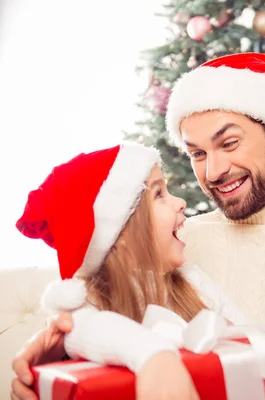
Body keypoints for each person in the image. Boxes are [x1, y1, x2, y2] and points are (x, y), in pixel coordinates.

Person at [12, 53, 265, 400]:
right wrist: (48, 364)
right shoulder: (171, 246)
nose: (214, 171)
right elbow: (104, 339)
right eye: (196, 153)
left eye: (228, 143)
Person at [12, 143, 247, 400]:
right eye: (159, 194)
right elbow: (82, 330)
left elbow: (253, 341)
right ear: (119, 231)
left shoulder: (194, 281)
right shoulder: (86, 306)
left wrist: (232, 334)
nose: (180, 202)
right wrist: (154, 356)